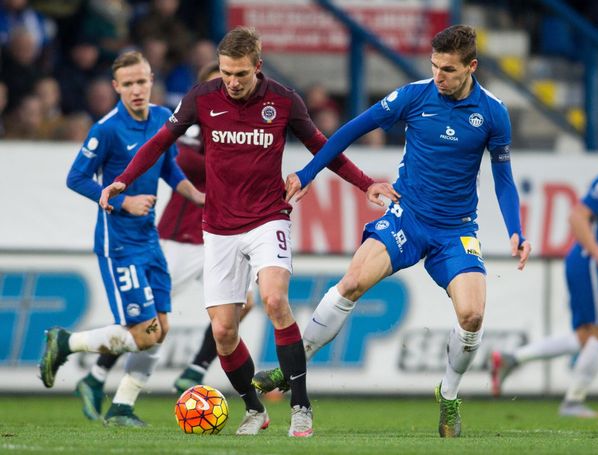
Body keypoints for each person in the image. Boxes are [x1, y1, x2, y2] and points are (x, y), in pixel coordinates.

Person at [99, 27, 396, 437]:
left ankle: (301, 406)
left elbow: (323, 147)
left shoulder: (283, 100)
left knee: (275, 300)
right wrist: (122, 180)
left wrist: (367, 183)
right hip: (218, 228)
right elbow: (159, 142)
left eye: (240, 74)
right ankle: (254, 410)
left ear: (257, 66)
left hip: (267, 217)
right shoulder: (202, 98)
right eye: (225, 73)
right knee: (223, 331)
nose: (232, 82)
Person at [252, 25, 531, 438]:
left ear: (471, 66)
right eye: (434, 66)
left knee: (472, 316)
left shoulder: (492, 112)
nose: (438, 76)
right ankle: (293, 366)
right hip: (407, 216)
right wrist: (309, 172)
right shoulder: (414, 96)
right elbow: (350, 130)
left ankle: (448, 395)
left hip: (456, 230)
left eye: (448, 70)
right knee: (351, 283)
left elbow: (504, 179)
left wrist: (516, 230)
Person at [72, 62, 253, 422]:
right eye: (218, 83)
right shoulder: (192, 123)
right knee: (149, 323)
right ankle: (96, 376)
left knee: (243, 302)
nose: (228, 88)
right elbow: (179, 160)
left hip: (221, 234)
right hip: (181, 236)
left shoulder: (239, 124)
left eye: (232, 81)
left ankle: (196, 370)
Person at [38, 51, 204, 428]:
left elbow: (168, 166)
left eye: (142, 81)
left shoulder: (163, 118)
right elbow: (76, 178)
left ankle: (122, 407)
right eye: (128, 84)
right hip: (120, 244)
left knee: (161, 329)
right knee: (145, 335)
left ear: (152, 80)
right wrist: (123, 200)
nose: (136, 90)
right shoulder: (107, 129)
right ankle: (65, 343)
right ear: (116, 88)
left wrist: (194, 194)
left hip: (150, 240)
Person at [490, 118, 598, 417]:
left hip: (584, 262)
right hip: (589, 263)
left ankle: (511, 358)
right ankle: (573, 401)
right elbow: (578, 218)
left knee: (585, 336)